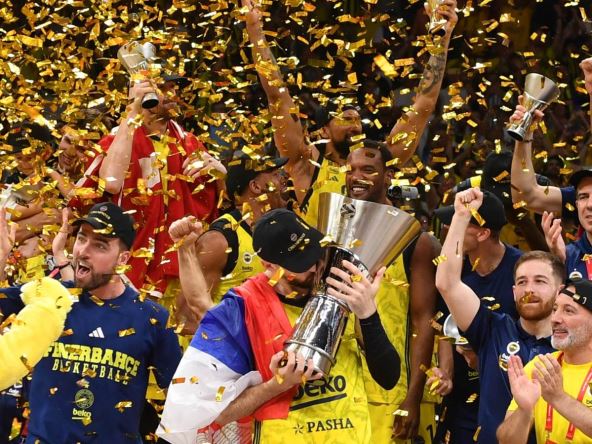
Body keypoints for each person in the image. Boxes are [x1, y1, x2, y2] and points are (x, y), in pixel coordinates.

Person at [157, 208, 400, 444]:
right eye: (300, 262)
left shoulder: (342, 287)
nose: (314, 267)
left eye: (314, 253)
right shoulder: (241, 310)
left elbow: (388, 377)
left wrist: (367, 314)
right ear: (269, 266)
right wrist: (278, 384)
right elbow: (217, 414)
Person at [240, 0, 457, 227]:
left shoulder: (380, 160)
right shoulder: (306, 164)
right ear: (324, 130)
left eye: (357, 120)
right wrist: (255, 30)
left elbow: (422, 107)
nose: (355, 126)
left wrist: (442, 38)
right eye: (345, 119)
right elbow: (277, 97)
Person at [0, 202, 182, 443]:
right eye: (81, 238)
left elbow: (180, 398)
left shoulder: (152, 318)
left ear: (123, 259)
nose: (83, 251)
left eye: (100, 245)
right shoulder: (47, 295)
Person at [78, 72, 226, 302]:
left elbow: (214, 205)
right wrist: (133, 109)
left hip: (176, 272)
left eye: (175, 87)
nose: (173, 94)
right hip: (127, 270)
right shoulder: (116, 141)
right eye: (164, 87)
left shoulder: (189, 142)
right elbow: (111, 183)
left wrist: (220, 174)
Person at [435, 187, 564, 444]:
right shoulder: (493, 330)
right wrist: (461, 216)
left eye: (540, 281)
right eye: (522, 282)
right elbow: (447, 283)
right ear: (513, 292)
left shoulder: (573, 345)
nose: (529, 289)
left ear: (560, 291)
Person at [345, 140, 441, 443]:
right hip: (347, 391)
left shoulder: (414, 238)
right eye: (351, 169)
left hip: (393, 394)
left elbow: (424, 321)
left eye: (367, 170)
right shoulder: (338, 229)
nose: (356, 177)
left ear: (388, 177)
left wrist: (412, 397)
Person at [168, 153, 288, 320]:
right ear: (255, 187)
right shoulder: (219, 240)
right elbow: (185, 317)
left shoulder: (280, 228)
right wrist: (234, 334)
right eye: (275, 175)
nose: (283, 181)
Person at [497, 277, 592, 443]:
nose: (555, 318)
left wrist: (559, 398)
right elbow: (506, 441)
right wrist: (524, 410)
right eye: (555, 309)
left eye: (568, 311)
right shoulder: (541, 367)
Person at [510, 57, 592, 219]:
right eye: (583, 197)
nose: (590, 204)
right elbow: (526, 196)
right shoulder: (582, 204)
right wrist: (524, 135)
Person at [541, 168, 592, 280]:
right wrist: (559, 263)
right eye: (583, 197)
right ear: (577, 205)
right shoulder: (567, 255)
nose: (590, 204)